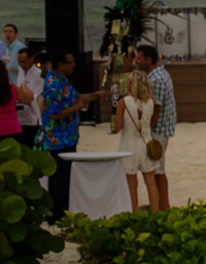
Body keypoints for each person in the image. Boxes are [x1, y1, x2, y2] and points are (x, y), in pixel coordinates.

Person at [38, 49, 108, 221]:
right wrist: (78, 108)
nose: (74, 65)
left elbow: (75, 98)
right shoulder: (54, 84)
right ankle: (56, 214)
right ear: (61, 64)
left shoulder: (63, 81)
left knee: (65, 176)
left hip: (68, 136)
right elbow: (55, 113)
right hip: (58, 138)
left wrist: (95, 95)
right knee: (59, 177)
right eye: (70, 62)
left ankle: (61, 211)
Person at [132, 44, 176, 211]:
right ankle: (158, 203)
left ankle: (163, 206)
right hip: (163, 127)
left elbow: (156, 108)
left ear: (148, 60)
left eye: (138, 58)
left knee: (157, 169)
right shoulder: (161, 73)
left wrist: (147, 130)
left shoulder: (156, 79)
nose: (135, 61)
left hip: (158, 130)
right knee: (157, 168)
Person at [113, 69, 161, 211]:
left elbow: (117, 128)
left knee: (132, 185)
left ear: (132, 84)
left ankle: (133, 213)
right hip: (146, 144)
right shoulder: (151, 101)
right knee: (151, 183)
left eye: (128, 81)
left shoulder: (124, 102)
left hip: (129, 146)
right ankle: (156, 214)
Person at [11, 48, 45, 148]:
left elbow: (36, 96)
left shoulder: (39, 74)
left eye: (24, 61)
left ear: (31, 59)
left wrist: (24, 94)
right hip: (20, 116)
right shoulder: (20, 72)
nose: (21, 64)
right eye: (19, 62)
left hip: (32, 117)